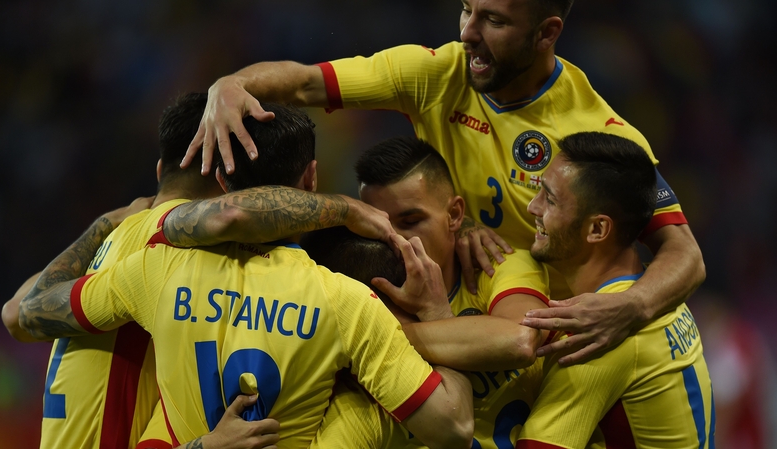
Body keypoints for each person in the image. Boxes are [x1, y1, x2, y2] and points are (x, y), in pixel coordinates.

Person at [181, 0, 705, 365]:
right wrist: (231, 85)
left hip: (552, 344)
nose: (467, 33)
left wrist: (631, 307)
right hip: (458, 317)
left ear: (546, 33)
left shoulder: (597, 137)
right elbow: (302, 81)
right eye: (466, 10)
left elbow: (684, 252)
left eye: (493, 20)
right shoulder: (436, 73)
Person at [17, 103, 475, 449]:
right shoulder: (346, 301)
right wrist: (438, 312)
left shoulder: (159, 265)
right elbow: (454, 428)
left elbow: (27, 311)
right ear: (312, 179)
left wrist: (103, 224)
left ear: (221, 182)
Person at [184, 136, 551, 448]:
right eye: (377, 223)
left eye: (411, 221)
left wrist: (377, 336)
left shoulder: (494, 263)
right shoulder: (354, 293)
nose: (394, 238)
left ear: (455, 215)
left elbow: (520, 340)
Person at [1, 92, 292, 449]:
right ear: (225, 181)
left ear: (159, 171)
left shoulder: (111, 238)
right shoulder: (180, 246)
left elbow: (15, 314)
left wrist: (104, 224)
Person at [515, 131, 714, 448]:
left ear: (597, 229)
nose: (532, 207)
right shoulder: (664, 297)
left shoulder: (595, 335)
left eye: (549, 200)